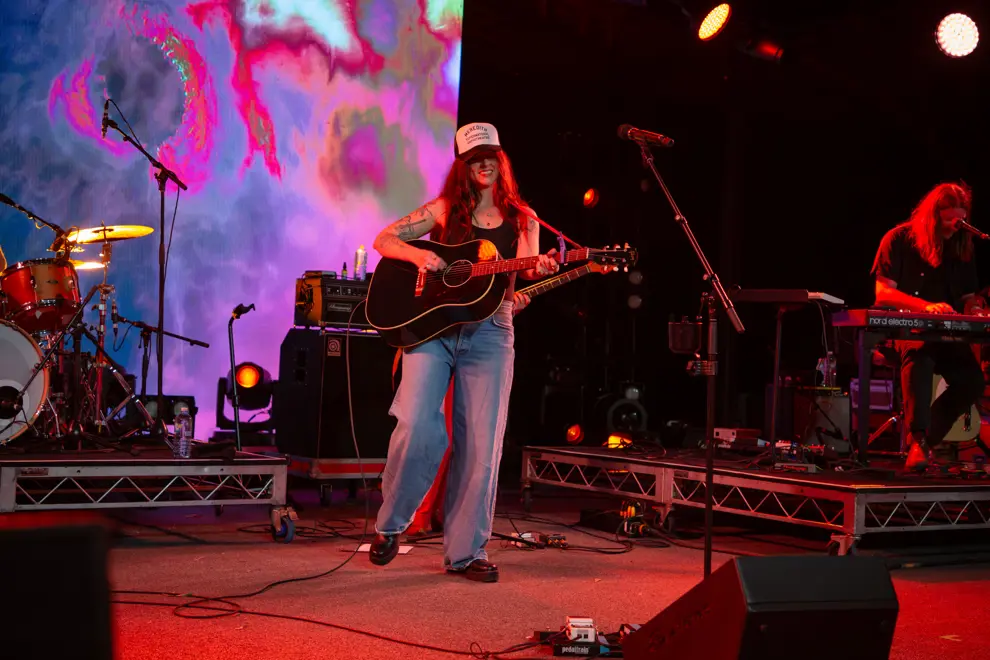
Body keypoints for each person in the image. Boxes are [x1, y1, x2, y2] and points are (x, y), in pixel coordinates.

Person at [369, 122, 558, 582]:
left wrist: (543, 271)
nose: (485, 163)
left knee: (482, 444)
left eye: (491, 154)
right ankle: (391, 524)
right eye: (475, 158)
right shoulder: (444, 209)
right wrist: (423, 258)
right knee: (416, 423)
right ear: (463, 166)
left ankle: (465, 553)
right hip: (433, 331)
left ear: (501, 160)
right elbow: (384, 240)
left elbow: (526, 278)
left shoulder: (524, 218)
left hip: (492, 331)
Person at [871, 181, 987, 471]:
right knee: (919, 354)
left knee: (972, 380)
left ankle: (922, 443)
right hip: (904, 330)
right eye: (949, 220)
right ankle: (918, 438)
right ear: (934, 215)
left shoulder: (961, 245)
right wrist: (925, 308)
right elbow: (883, 294)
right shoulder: (898, 239)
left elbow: (967, 296)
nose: (954, 227)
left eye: (960, 221)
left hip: (945, 333)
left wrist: (974, 308)